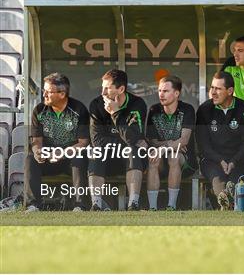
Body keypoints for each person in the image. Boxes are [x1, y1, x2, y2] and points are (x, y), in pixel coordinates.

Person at [24, 73, 89, 212]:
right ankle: (33, 205)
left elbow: (83, 143)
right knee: (30, 159)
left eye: (49, 92)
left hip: (69, 159)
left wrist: (64, 153)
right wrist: (37, 152)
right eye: (44, 91)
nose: (44, 95)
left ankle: (80, 205)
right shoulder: (39, 110)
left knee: (79, 159)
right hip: (48, 160)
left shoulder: (79, 110)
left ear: (62, 94)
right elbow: (36, 140)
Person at [88, 69, 147, 211]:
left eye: (107, 88)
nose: (103, 92)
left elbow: (132, 138)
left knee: (132, 150)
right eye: (102, 87)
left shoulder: (137, 104)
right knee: (97, 151)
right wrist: (124, 142)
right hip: (107, 161)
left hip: (132, 161)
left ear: (121, 89)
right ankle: (96, 205)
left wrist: (115, 113)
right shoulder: (96, 104)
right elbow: (97, 140)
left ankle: (133, 204)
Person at [196, 71, 244, 210]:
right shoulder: (204, 110)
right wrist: (220, 160)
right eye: (212, 88)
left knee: (235, 181)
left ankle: (227, 202)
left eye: (218, 89)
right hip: (212, 160)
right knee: (218, 179)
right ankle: (224, 199)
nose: (213, 93)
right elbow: (203, 144)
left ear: (230, 91)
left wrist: (234, 161)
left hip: (239, 160)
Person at [146, 76, 196, 211]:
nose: (161, 94)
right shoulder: (153, 110)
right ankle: (152, 208)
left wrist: (164, 148)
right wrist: (170, 143)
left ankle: (171, 206)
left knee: (173, 157)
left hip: (185, 163)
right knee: (152, 159)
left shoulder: (187, 109)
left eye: (166, 91)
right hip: (161, 162)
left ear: (176, 93)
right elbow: (152, 141)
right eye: (160, 90)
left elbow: (184, 140)